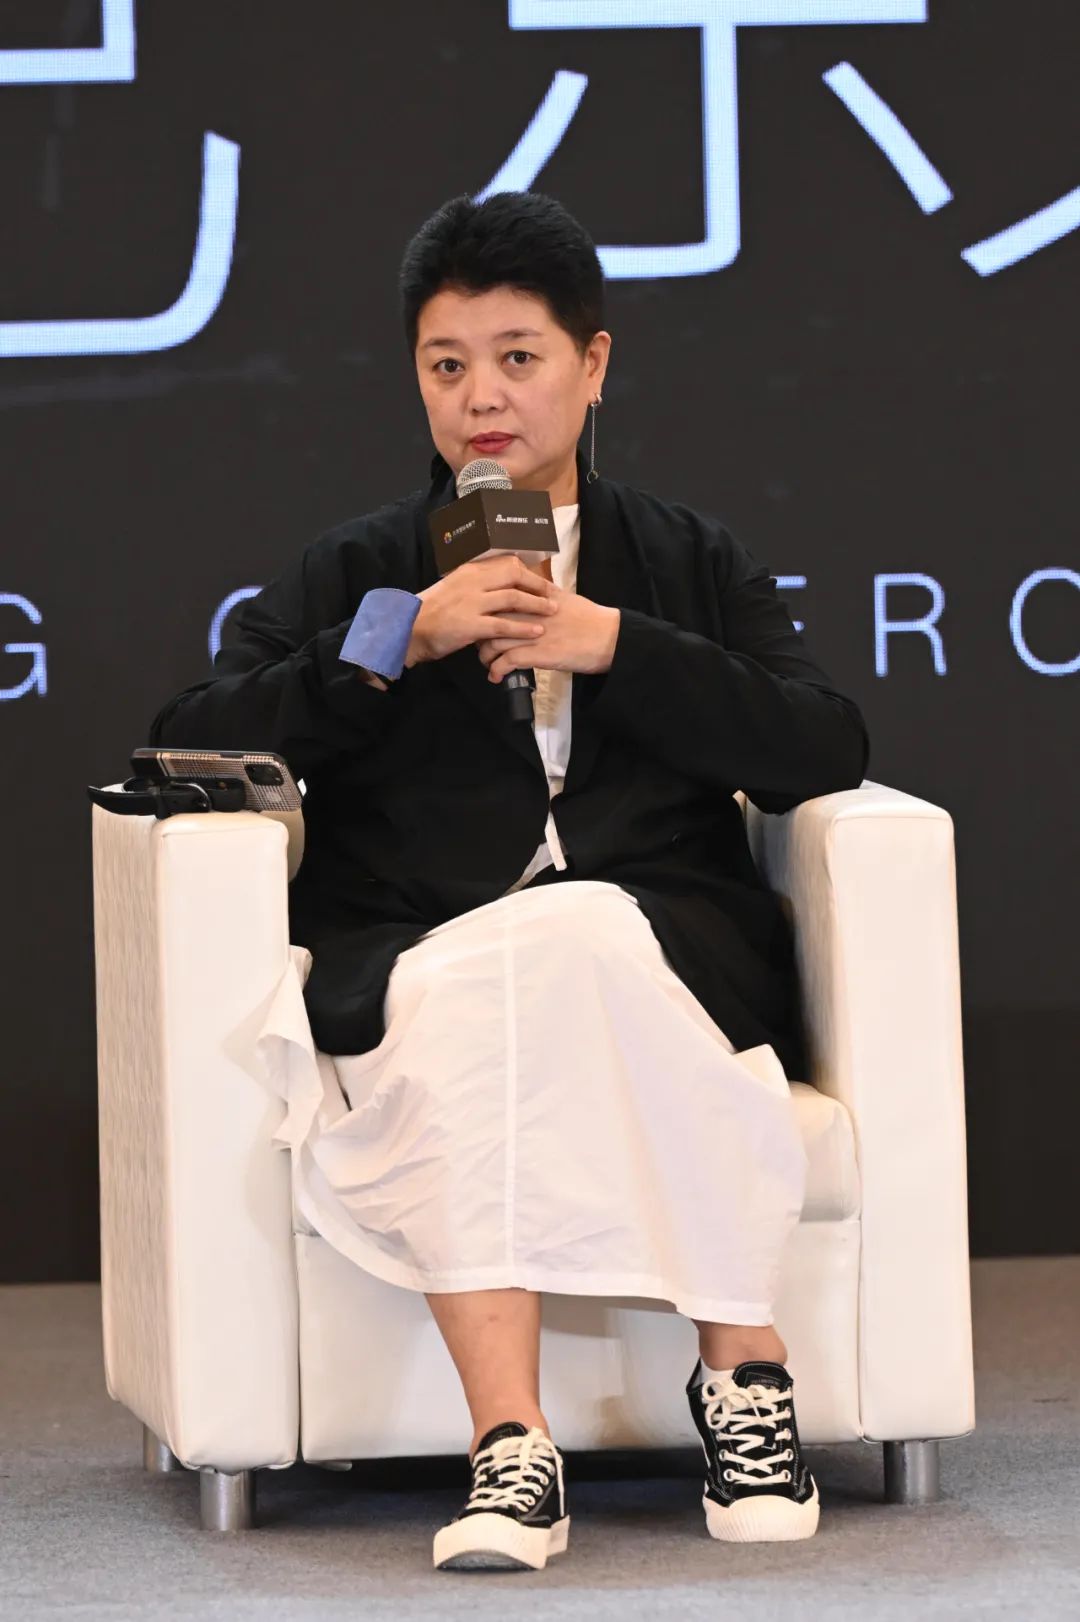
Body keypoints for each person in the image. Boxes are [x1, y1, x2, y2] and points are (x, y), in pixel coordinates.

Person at [149, 191, 870, 1572]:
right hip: (426, 942)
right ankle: (656, 1398)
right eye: (447, 364)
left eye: (517, 358)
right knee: (498, 968)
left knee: (582, 930)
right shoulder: (365, 572)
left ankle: (616, 1415)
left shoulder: (685, 560)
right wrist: (398, 638)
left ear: (593, 367)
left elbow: (823, 745)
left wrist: (615, 645)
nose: (481, 396)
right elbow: (196, 735)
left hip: (664, 942)